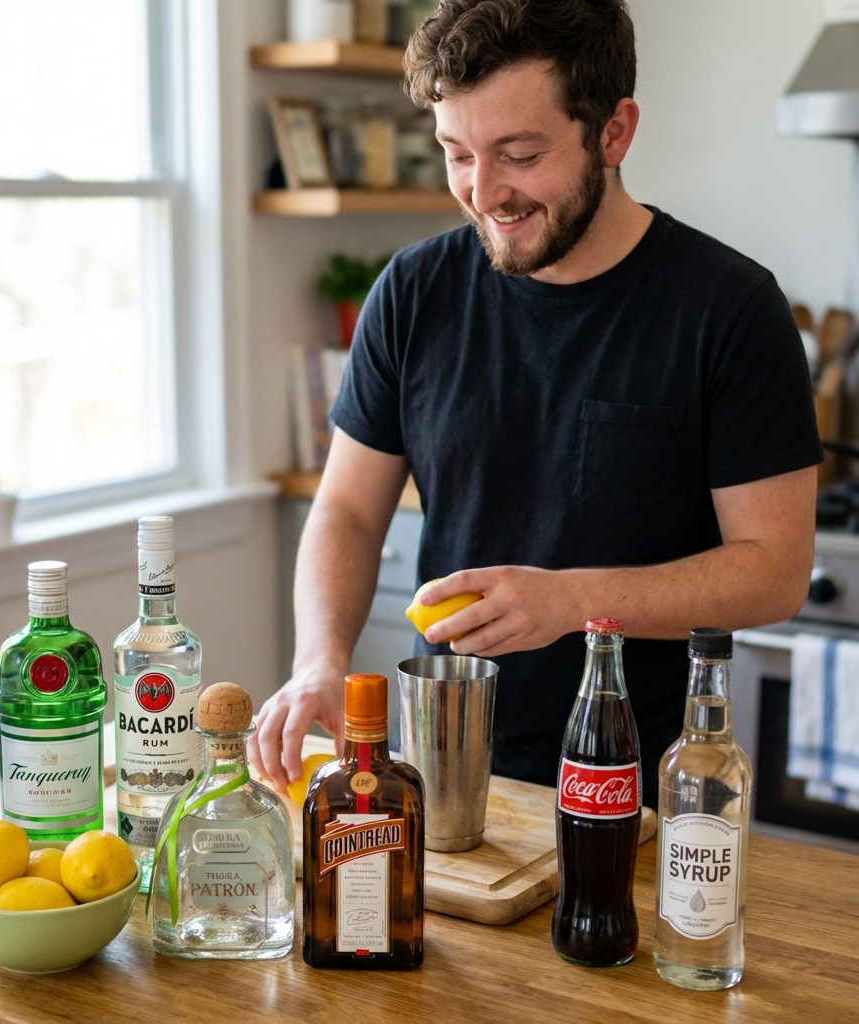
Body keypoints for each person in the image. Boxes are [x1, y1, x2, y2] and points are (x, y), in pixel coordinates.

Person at [248, 0, 821, 808]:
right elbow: (345, 509)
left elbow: (775, 571)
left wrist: (576, 603)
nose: (484, 193)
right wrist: (321, 659)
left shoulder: (727, 309)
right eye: (457, 153)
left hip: (649, 789)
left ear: (614, 133)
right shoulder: (413, 293)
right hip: (447, 775)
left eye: (518, 154)